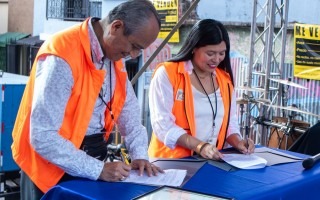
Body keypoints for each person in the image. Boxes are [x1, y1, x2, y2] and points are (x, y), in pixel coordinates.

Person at [11, 0, 163, 199]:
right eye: (134, 46)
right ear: (116, 27)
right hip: (50, 167)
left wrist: (140, 155)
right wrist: (98, 169)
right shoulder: (62, 54)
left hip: (92, 158)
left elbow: (131, 116)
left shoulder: (115, 55)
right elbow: (43, 136)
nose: (133, 55)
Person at [148, 19, 255, 159]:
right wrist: (200, 146)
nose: (216, 59)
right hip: (170, 163)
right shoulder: (167, 73)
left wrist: (238, 142)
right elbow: (163, 125)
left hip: (209, 162)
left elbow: (230, 122)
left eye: (222, 53)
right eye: (210, 53)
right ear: (193, 48)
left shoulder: (225, 80)